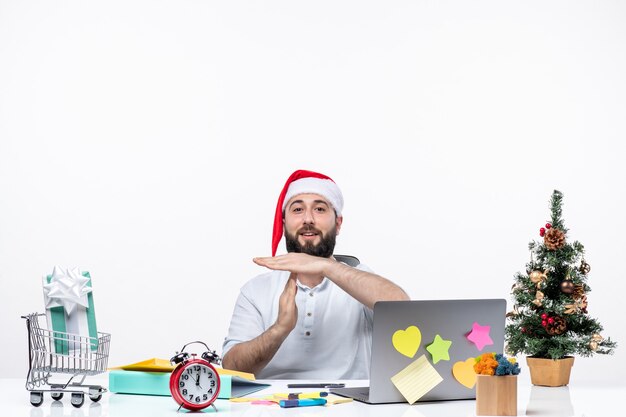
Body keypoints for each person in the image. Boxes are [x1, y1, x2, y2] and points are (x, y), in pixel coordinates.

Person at [221, 170, 409, 379]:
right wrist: (279, 330)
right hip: (273, 406)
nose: (308, 219)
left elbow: (403, 308)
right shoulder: (256, 290)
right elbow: (232, 370)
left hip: (348, 407)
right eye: (298, 209)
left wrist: (325, 266)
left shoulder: (359, 280)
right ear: (284, 223)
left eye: (319, 209)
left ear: (338, 224)